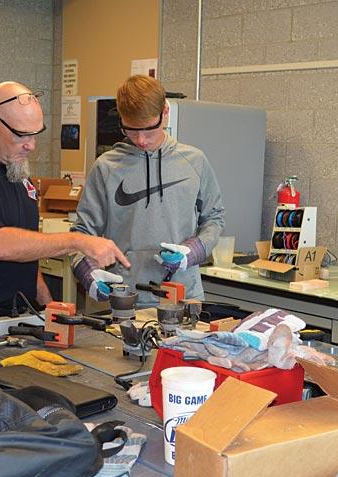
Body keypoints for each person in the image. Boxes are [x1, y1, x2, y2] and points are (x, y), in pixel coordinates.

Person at [0, 81, 129, 322]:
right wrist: (77, 240)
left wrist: (47, 306)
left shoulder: (15, 169)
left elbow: (24, 250)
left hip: (18, 312)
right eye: (21, 135)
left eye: (35, 134)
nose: (31, 145)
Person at [70, 75, 225, 309]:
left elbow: (214, 218)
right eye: (131, 130)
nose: (141, 140)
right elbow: (81, 233)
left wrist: (193, 252)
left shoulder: (194, 160)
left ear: (164, 113)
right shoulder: (106, 167)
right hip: (126, 299)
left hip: (184, 297)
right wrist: (87, 273)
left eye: (149, 130)